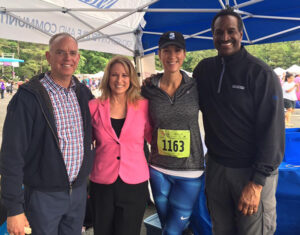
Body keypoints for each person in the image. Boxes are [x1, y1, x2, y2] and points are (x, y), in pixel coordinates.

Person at [193, 8, 285, 235]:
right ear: (212, 36)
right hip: (217, 169)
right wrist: (153, 84)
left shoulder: (261, 74)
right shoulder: (204, 70)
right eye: (218, 32)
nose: (225, 37)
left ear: (241, 34)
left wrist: (256, 183)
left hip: (251, 173)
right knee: (220, 230)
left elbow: (273, 132)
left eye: (231, 31)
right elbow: (179, 96)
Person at [0, 32, 94, 235]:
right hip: (43, 196)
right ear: (48, 57)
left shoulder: (84, 94)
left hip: (77, 194)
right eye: (60, 52)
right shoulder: (28, 98)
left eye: (72, 53)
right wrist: (14, 208)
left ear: (77, 58)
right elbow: (11, 155)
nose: (67, 58)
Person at [142, 31, 205, 235]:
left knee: (171, 231)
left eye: (177, 50)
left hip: (190, 171)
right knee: (168, 226)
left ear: (184, 54)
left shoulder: (196, 86)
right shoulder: (148, 88)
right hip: (158, 169)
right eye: (166, 51)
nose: (172, 56)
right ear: (159, 54)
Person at [88, 56, 152, 235]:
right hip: (102, 183)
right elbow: (85, 142)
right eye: (115, 75)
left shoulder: (144, 106)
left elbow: (153, 138)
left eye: (124, 75)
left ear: (131, 78)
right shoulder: (93, 107)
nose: (119, 80)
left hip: (134, 184)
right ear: (108, 77)